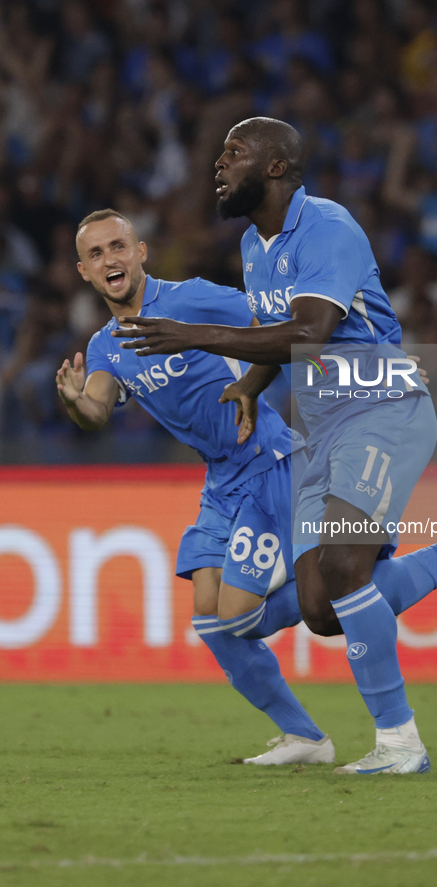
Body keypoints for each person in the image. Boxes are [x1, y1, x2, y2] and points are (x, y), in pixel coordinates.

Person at [111, 118, 437, 775]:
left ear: (274, 167)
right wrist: (248, 385)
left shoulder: (326, 226)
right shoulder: (252, 244)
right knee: (324, 608)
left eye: (233, 153)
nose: (218, 164)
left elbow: (311, 331)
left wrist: (192, 335)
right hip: (321, 424)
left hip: (381, 406)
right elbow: (276, 334)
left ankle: (400, 743)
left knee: (347, 569)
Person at [56, 209, 335, 766]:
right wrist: (74, 403)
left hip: (266, 460)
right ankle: (306, 738)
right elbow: (97, 409)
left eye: (118, 246)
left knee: (239, 611)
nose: (109, 259)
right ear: (84, 272)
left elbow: (279, 330)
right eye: (96, 254)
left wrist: (257, 385)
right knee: (210, 619)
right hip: (220, 478)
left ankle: (344, 583)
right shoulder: (107, 345)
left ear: (140, 251)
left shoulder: (192, 298)